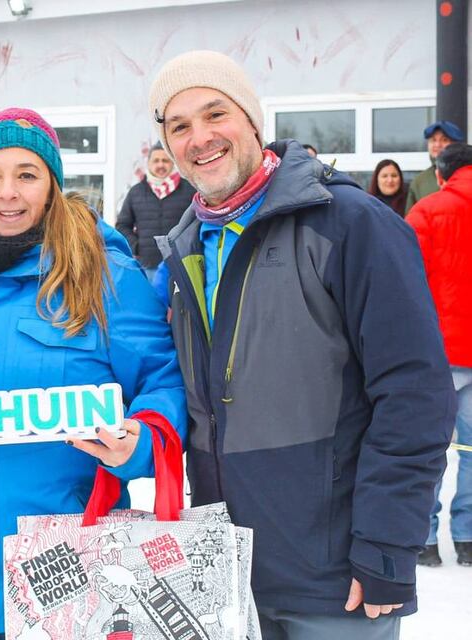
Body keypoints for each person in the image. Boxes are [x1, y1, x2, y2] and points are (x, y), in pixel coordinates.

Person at [148, 50, 454, 639]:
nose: (200, 137)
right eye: (178, 126)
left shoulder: (348, 223)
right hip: (228, 575)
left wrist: (388, 542)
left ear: (254, 121)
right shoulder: (185, 246)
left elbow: (414, 394)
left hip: (336, 579)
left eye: (216, 114)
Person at [0, 107, 186, 639]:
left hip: (69, 575)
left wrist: (141, 440)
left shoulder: (106, 278)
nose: (7, 193)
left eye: (27, 174)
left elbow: (165, 379)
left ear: (53, 185)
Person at [407, 142, 472, 568]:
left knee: (425, 448)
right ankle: (468, 536)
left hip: (436, 350)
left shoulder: (427, 212)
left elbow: (403, 282)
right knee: (471, 449)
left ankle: (423, 537)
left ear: (442, 173)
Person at [116, 141, 196, 278]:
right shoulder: (136, 192)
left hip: (181, 263)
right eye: (156, 161)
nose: (160, 165)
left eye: (165, 160)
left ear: (172, 163)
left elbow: (198, 222)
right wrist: (137, 246)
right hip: (147, 265)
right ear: (149, 164)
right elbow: (122, 225)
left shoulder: (189, 189)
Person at [405, 120, 465, 214]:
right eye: (433, 140)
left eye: (444, 140)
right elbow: (410, 221)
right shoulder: (419, 181)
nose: (437, 145)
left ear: (456, 145)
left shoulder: (466, 176)